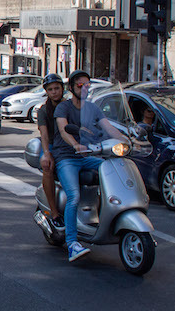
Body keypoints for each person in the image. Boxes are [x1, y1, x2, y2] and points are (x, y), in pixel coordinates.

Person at [53, 69, 125, 262]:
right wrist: (75, 144)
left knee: (110, 168)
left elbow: (108, 127)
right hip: (67, 156)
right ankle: (72, 244)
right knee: (74, 196)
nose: (84, 88)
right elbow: (63, 129)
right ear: (72, 88)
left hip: (88, 155)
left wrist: (128, 140)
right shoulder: (64, 108)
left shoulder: (92, 108)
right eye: (80, 85)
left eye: (87, 85)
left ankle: (101, 216)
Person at [37, 73, 66, 231]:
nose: (54, 92)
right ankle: (54, 213)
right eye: (50, 89)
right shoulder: (43, 111)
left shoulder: (71, 106)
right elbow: (44, 134)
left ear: (62, 88)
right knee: (47, 167)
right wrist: (47, 153)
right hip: (54, 146)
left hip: (70, 146)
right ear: (46, 92)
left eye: (57, 88)